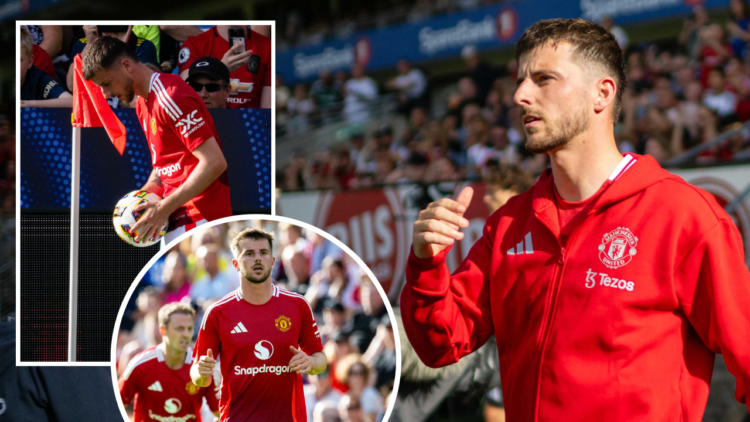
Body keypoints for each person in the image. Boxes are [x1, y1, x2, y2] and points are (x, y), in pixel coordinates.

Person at [401, 18, 750, 421]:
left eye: (543, 78)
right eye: (520, 80)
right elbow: (440, 345)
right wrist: (425, 262)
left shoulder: (683, 215)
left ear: (601, 93)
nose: (519, 95)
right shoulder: (509, 225)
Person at [82, 36, 232, 245]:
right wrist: (141, 198)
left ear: (126, 66)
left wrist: (163, 208)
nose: (106, 94)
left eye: (106, 83)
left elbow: (214, 162)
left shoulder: (170, 96)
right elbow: (164, 166)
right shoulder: (143, 102)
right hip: (176, 218)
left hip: (201, 219)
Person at [190, 228, 327, 421]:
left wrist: (311, 362)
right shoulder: (217, 313)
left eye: (263, 253)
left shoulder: (297, 305)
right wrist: (202, 373)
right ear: (235, 264)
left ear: (272, 261)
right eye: (249, 254)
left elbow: (320, 359)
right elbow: (197, 372)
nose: (258, 259)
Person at [119, 302, 220, 422]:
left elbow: (221, 413)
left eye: (189, 329)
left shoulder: (203, 367)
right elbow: (113, 404)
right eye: (180, 329)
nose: (186, 335)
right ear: (163, 330)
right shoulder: (140, 364)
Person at [178, 25, 272, 109]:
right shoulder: (194, 44)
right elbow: (186, 95)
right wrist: (221, 68)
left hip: (251, 121)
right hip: (207, 121)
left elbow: (267, 112)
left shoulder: (266, 46)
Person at [20, 27, 72, 108]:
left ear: (30, 62)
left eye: (19, 60)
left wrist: (28, 104)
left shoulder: (38, 78)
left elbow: (71, 101)